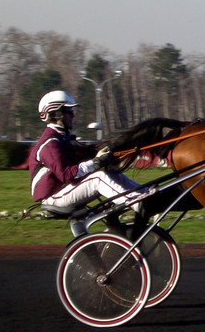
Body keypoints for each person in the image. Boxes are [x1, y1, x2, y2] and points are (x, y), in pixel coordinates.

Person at [30, 90, 140, 238]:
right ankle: (137, 203)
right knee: (98, 178)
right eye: (69, 111)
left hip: (65, 190)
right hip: (54, 197)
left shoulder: (63, 138)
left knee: (111, 173)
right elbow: (67, 174)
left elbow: (82, 163)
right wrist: (96, 162)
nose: (73, 115)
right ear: (56, 114)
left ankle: (144, 193)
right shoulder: (50, 143)